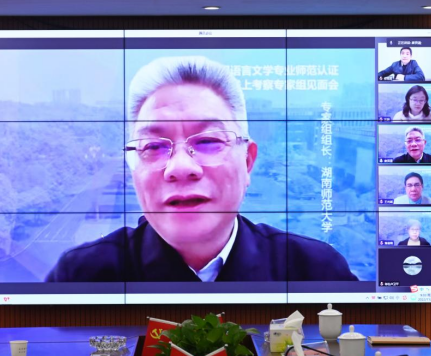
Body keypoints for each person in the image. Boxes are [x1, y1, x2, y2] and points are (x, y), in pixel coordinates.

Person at [46, 56, 358, 282]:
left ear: (247, 161)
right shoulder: (81, 274)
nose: (181, 167)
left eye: (208, 141)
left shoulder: (315, 270)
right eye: (153, 146)